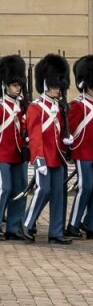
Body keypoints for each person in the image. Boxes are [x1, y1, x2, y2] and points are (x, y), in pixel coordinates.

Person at [23, 53, 72, 244]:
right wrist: (39, 159)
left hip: (57, 156)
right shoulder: (36, 107)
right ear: (45, 84)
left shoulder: (59, 107)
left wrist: (67, 140)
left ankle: (56, 231)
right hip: (43, 157)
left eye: (59, 86)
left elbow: (58, 132)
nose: (57, 90)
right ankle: (27, 223)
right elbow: (35, 136)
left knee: (59, 193)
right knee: (43, 190)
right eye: (53, 86)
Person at [66, 55, 93, 240]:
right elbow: (71, 128)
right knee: (86, 187)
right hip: (83, 151)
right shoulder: (77, 105)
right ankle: (73, 224)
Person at [0, 54, 28, 240]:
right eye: (15, 85)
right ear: (6, 85)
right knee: (5, 189)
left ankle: (13, 226)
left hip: (18, 154)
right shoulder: (2, 106)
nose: (18, 89)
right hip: (2, 154)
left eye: (19, 85)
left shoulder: (22, 106)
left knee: (20, 189)